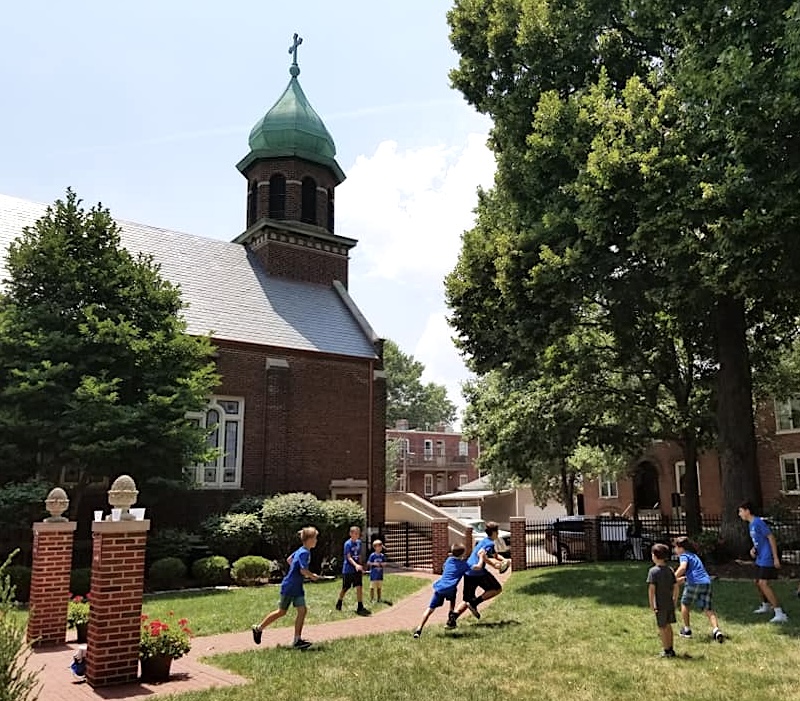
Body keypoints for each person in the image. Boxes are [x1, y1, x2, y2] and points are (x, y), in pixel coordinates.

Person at [251, 526, 320, 650]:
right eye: (315, 538)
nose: (316, 540)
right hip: (291, 586)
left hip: (292, 585)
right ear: (309, 539)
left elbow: (289, 560)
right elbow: (303, 570)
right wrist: (312, 576)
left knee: (299, 610)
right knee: (284, 611)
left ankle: (296, 640)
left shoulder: (301, 550)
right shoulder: (305, 552)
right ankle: (259, 628)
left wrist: (296, 571)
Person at [413, 543, 486, 638]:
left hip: (439, 587)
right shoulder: (464, 565)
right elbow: (478, 567)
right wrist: (481, 556)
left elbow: (444, 568)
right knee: (453, 593)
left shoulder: (449, 560)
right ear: (463, 554)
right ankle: (451, 614)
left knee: (430, 609)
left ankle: (418, 630)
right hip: (450, 588)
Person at [447, 521, 506, 628]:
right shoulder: (490, 543)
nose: (497, 534)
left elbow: (495, 555)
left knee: (467, 599)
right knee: (497, 589)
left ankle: (452, 620)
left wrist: (504, 560)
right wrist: (495, 566)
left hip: (468, 570)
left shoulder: (484, 541)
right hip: (478, 571)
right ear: (493, 532)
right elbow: (483, 556)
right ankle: (475, 603)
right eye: (497, 531)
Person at [738, 501, 788, 623]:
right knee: (757, 582)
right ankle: (766, 605)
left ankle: (779, 613)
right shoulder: (751, 525)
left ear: (747, 511)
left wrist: (775, 557)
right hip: (760, 557)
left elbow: (771, 538)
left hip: (767, 557)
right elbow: (759, 540)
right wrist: (754, 549)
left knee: (763, 583)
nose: (739, 514)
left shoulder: (758, 522)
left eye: (740, 511)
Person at [673, 536, 724, 642]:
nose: (675, 550)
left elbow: (683, 567)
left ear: (681, 548)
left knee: (685, 604)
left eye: (675, 547)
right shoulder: (694, 556)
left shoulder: (684, 556)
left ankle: (687, 629)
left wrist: (672, 577)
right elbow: (695, 572)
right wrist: (681, 579)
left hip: (694, 583)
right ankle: (716, 630)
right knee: (708, 608)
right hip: (706, 582)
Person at [647, 542, 679, 658]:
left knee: (662, 627)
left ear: (654, 556)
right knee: (669, 626)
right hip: (669, 603)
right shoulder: (670, 570)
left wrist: (652, 604)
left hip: (660, 604)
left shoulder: (653, 571)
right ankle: (671, 648)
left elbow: (651, 590)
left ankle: (666, 650)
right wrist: (675, 600)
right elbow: (676, 586)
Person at [335, 525, 370, 616]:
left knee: (359, 586)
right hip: (348, 569)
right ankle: (339, 601)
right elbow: (349, 557)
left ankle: (360, 605)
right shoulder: (347, 544)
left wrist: (361, 565)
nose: (357, 535)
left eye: (358, 533)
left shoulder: (358, 542)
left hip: (357, 569)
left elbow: (359, 555)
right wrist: (356, 565)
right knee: (345, 588)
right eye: (355, 533)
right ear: (350, 534)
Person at [367, 539, 387, 604]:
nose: (380, 547)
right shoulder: (372, 555)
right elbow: (368, 563)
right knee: (372, 587)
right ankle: (372, 599)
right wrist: (374, 564)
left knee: (379, 587)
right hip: (373, 575)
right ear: (375, 547)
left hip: (380, 574)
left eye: (381, 546)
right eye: (379, 546)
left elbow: (385, 563)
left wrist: (382, 564)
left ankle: (379, 598)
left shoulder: (382, 556)